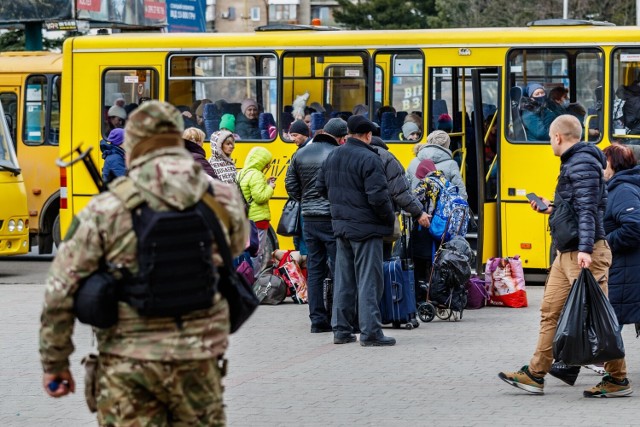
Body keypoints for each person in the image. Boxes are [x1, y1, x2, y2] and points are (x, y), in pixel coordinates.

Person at [39, 101, 249, 425]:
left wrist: (55, 363)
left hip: (127, 365)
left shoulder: (106, 207)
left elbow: (60, 290)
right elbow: (236, 248)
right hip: (197, 360)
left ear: (133, 144)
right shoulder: (221, 198)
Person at [498, 115, 631, 398]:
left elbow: (587, 209)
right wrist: (551, 209)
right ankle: (536, 373)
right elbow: (576, 205)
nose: (549, 143)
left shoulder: (581, 161)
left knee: (598, 317)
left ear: (558, 137)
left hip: (585, 251)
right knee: (550, 311)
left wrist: (584, 248)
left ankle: (617, 379)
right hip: (567, 251)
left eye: (549, 138)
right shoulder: (575, 161)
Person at [549, 144, 640, 392]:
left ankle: (609, 376)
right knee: (601, 318)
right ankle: (571, 365)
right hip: (621, 269)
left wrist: (602, 243)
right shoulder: (615, 187)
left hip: (623, 270)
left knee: (602, 319)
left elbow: (634, 226)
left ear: (613, 165)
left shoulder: (621, 190)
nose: (600, 168)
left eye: (604, 162)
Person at [316, 115, 396, 347]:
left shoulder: (334, 155)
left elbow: (321, 188)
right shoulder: (370, 158)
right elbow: (379, 198)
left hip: (342, 228)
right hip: (367, 229)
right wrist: (388, 218)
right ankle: (371, 332)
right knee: (369, 280)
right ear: (368, 135)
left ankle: (341, 330)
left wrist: (342, 207)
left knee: (344, 280)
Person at [285, 118, 347, 333]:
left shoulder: (300, 153)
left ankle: (317, 321)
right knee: (339, 267)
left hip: (309, 218)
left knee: (314, 269)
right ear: (339, 137)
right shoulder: (337, 153)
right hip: (332, 218)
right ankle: (340, 318)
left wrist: (306, 200)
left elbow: (290, 185)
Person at [370, 135, 430, 259]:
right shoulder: (386, 157)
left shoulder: (342, 155)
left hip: (349, 225)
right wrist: (418, 212)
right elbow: (400, 191)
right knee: (382, 263)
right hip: (381, 222)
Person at [411, 159, 448, 302]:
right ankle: (434, 293)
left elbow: (412, 201)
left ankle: (421, 296)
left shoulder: (425, 184)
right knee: (433, 264)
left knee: (419, 263)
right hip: (440, 230)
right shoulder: (443, 180)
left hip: (424, 230)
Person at [238, 146, 275, 271]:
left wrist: (265, 183)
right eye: (267, 163)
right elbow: (260, 197)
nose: (268, 166)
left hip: (246, 218)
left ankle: (245, 275)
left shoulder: (242, 173)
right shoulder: (256, 175)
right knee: (257, 252)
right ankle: (255, 279)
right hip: (258, 219)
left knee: (248, 249)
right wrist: (270, 187)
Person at [405, 130, 467, 200]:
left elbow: (405, 187)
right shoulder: (451, 165)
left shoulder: (414, 162)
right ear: (447, 145)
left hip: (416, 207)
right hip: (442, 209)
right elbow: (460, 191)